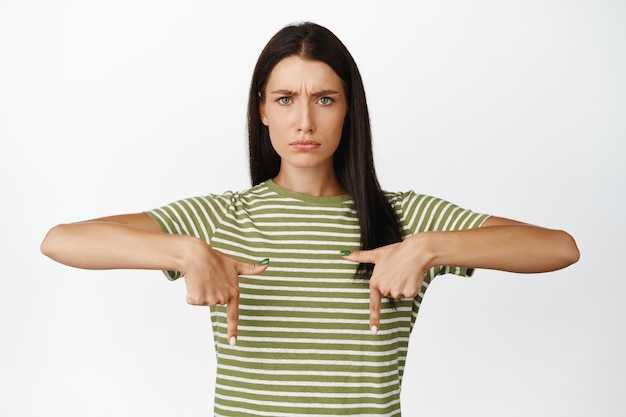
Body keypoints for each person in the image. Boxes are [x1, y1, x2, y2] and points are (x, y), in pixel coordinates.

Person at [41, 21, 579, 417]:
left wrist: (428, 249)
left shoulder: (404, 218)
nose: (304, 120)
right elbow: (61, 240)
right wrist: (184, 252)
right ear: (262, 110)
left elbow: (558, 248)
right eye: (285, 99)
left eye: (324, 98)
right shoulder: (222, 216)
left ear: (349, 110)